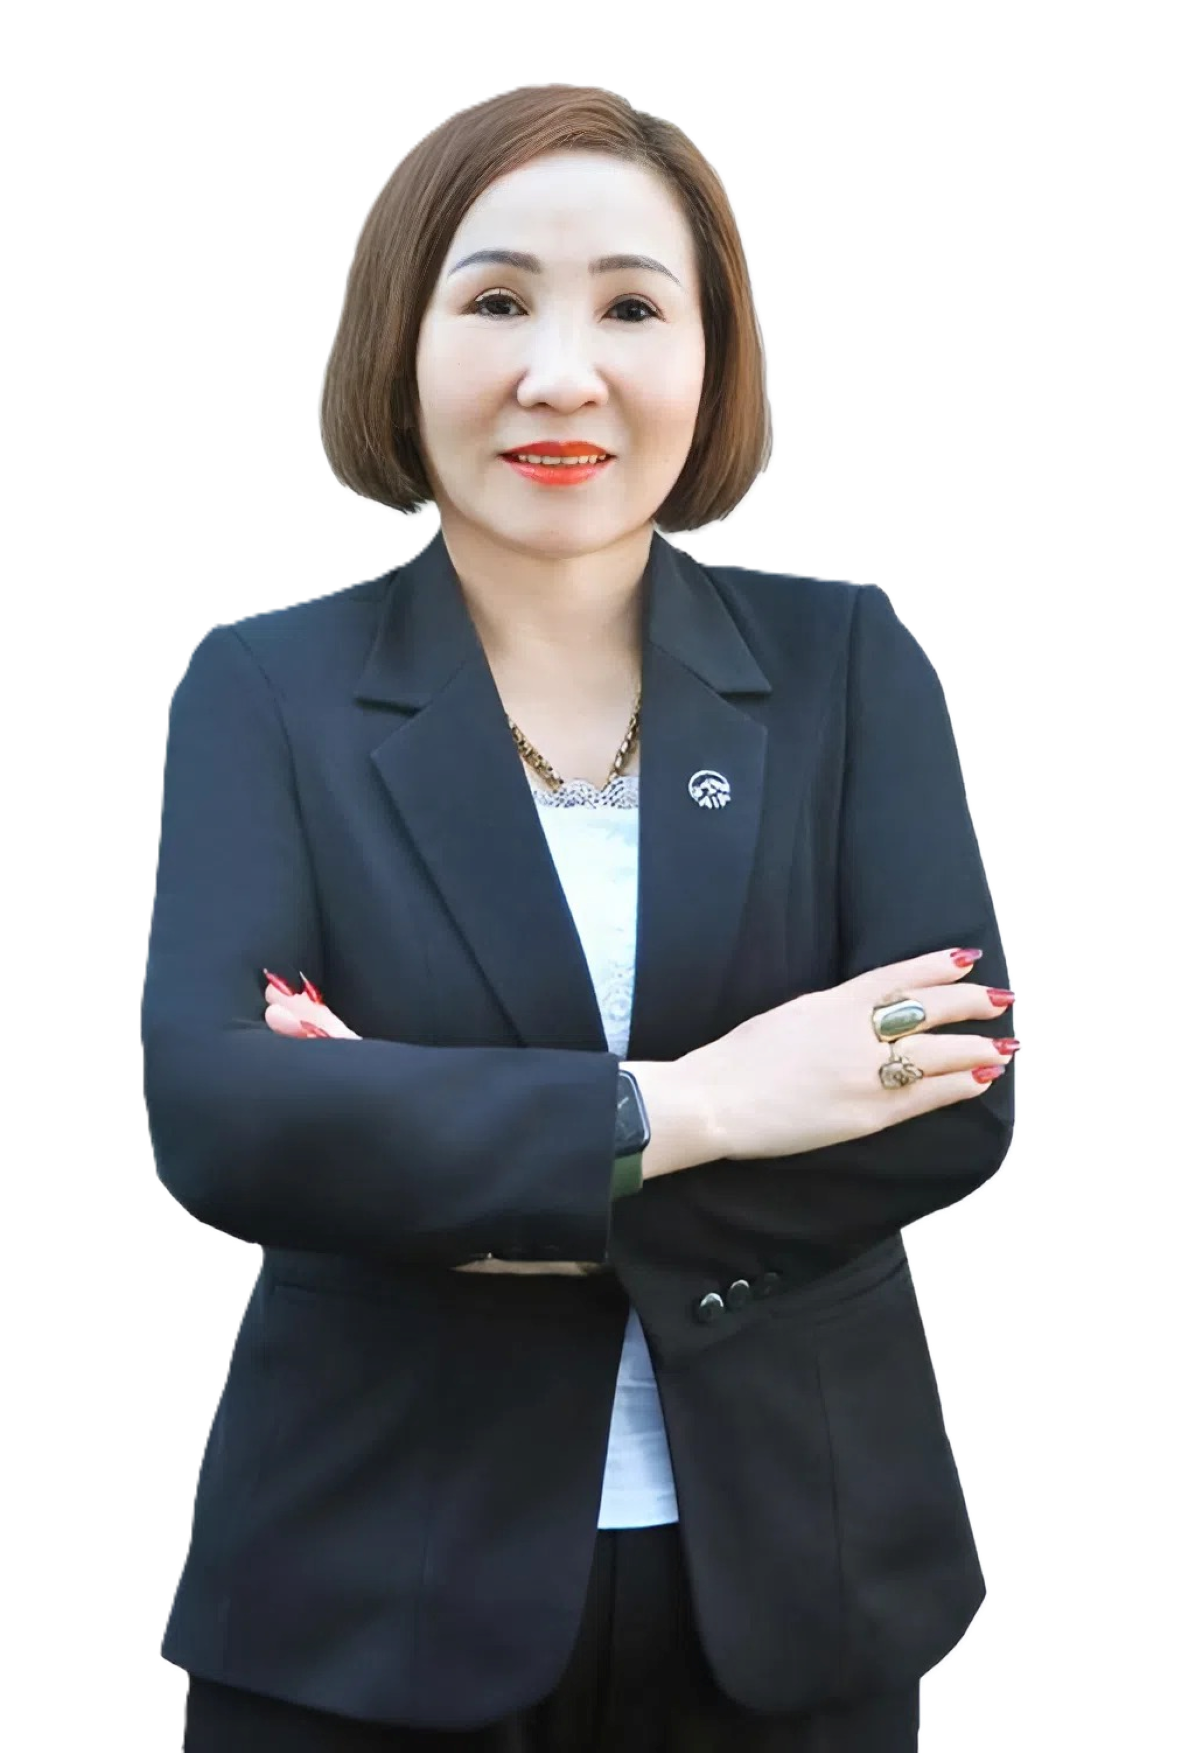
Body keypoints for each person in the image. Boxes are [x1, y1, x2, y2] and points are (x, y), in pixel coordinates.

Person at [144, 82, 1018, 1752]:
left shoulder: (846, 663)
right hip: (369, 1584)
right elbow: (225, 1121)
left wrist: (427, 1144)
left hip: (796, 1579)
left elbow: (951, 1093)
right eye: (494, 303)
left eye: (630, 306)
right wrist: (696, 1106)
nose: (562, 373)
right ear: (397, 343)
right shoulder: (265, 684)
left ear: (714, 356)